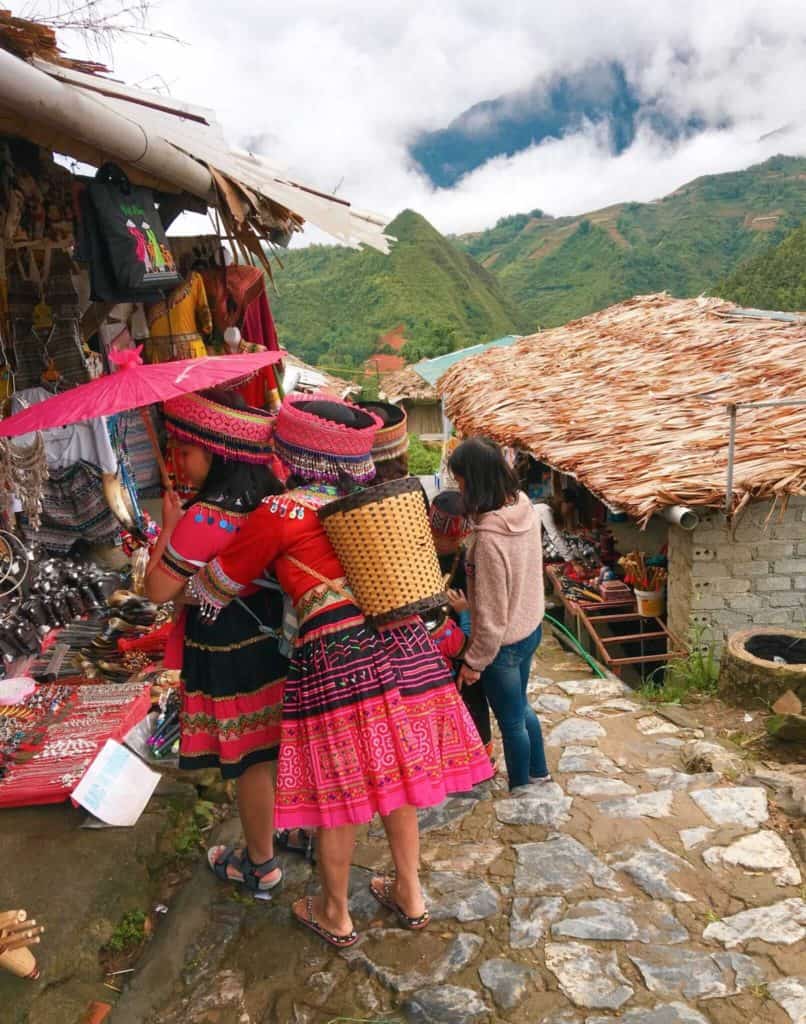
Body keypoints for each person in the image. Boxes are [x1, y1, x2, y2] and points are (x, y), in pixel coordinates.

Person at [190, 394, 492, 947]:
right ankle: (410, 892)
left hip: (338, 658)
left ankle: (335, 912)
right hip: (402, 648)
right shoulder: (375, 502)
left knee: (340, 792)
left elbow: (215, 586)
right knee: (397, 779)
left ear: (293, 451)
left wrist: (182, 542)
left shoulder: (280, 513)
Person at [145, 388, 289, 894]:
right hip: (275, 644)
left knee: (250, 760)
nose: (179, 462)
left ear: (216, 452)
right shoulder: (273, 498)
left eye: (185, 450)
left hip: (231, 653)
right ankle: (285, 832)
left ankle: (260, 863)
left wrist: (168, 529)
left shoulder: (206, 517)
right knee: (271, 752)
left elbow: (156, 589)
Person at [449, 437, 550, 791]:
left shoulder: (489, 540)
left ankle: (521, 788)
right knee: (521, 708)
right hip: (531, 626)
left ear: (473, 481)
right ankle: (539, 772)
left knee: (510, 721)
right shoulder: (524, 505)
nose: (458, 489)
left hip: (503, 645)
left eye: (460, 482)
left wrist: (473, 663)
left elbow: (490, 618)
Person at [428, 490, 493, 762]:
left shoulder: (468, 559)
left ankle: (480, 755)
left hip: (463, 644)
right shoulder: (420, 555)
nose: (449, 543)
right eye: (443, 537)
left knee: (472, 697)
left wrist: (464, 613)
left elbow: (482, 605)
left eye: (454, 538)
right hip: (432, 648)